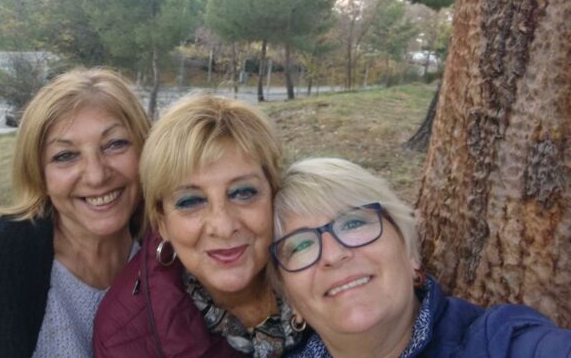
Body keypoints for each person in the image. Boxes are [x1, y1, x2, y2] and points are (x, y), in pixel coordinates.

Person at [0, 68, 151, 358]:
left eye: (115, 144)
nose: (96, 176)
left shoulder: (174, 249)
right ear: (39, 175)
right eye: (65, 156)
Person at [269, 157, 571, 358]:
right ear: (290, 300)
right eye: (301, 246)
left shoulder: (498, 342)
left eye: (353, 223)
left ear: (410, 252)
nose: (334, 255)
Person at [94, 94, 305, 358]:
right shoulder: (124, 337)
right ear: (161, 222)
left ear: (274, 194)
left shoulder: (331, 261)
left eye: (243, 193)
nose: (223, 227)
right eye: (191, 201)